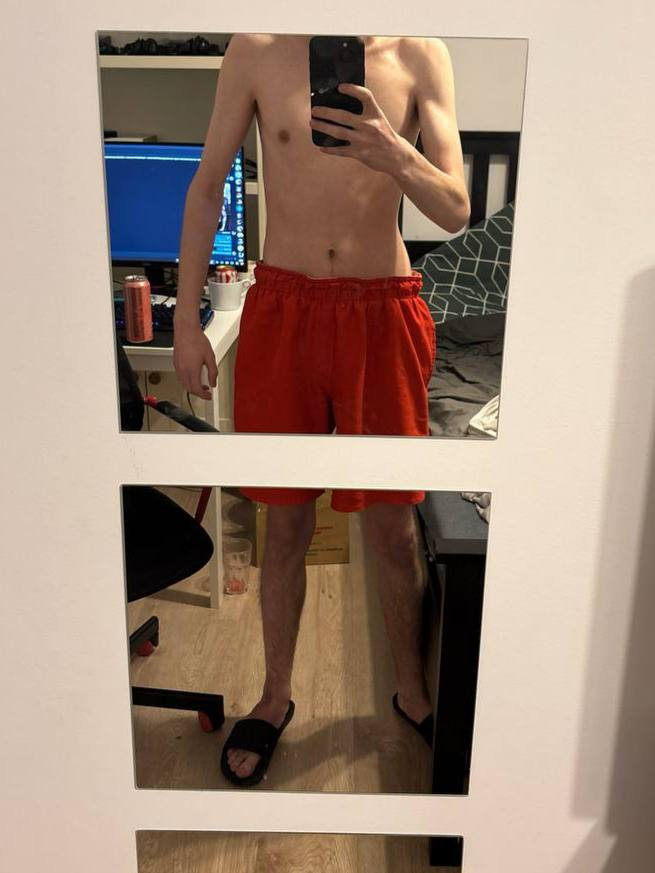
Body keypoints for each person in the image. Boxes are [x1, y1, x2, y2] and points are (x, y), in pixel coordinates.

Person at [173, 34, 470, 786]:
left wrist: (393, 153)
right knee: (283, 527)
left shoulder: (420, 55)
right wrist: (184, 321)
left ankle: (411, 690)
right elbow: (207, 186)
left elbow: (455, 212)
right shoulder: (254, 50)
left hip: (383, 311)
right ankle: (274, 696)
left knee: (393, 530)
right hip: (284, 310)